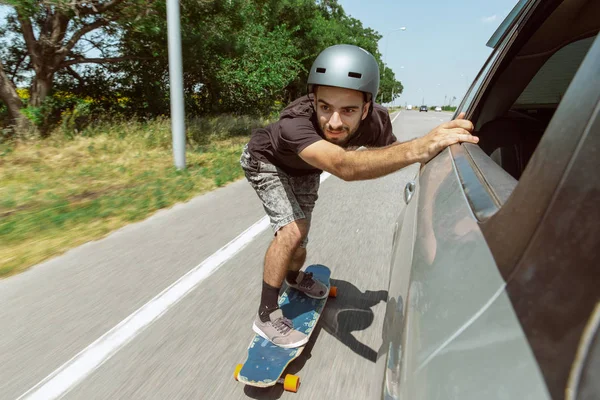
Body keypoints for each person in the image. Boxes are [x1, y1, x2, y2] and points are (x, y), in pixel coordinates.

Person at [240, 44, 478, 348]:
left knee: (300, 240)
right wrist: (419, 147)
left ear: (367, 108)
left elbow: (393, 155)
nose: (335, 122)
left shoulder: (378, 122)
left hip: (306, 170)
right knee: (292, 229)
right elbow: (343, 166)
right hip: (266, 161)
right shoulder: (294, 122)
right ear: (313, 100)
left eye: (349, 110)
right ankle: (266, 314)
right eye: (324, 107)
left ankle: (293, 276)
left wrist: (437, 168)